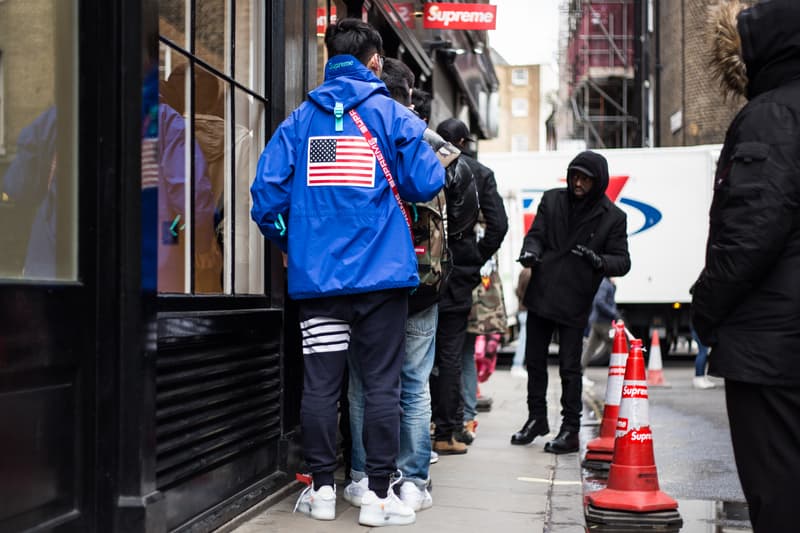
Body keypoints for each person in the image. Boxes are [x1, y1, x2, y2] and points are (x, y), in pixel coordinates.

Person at [250, 18, 444, 527]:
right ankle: (377, 499)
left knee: (320, 385)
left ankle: (321, 491)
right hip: (382, 281)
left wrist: (293, 242)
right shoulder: (392, 115)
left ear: (328, 57)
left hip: (318, 283)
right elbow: (426, 182)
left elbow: (264, 200)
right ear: (375, 60)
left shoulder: (297, 122)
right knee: (382, 386)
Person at [693, 2, 800, 530]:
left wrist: (705, 309)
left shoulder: (771, 115)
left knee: (777, 492)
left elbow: (749, 234)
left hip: (771, 347)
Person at [345, 57, 460, 513]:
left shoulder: (352, 131)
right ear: (410, 94)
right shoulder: (427, 141)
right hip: (422, 284)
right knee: (414, 384)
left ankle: (359, 474)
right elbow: (459, 203)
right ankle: (413, 480)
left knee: (361, 383)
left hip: (366, 279)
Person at [512, 150, 630, 454]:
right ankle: (536, 418)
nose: (578, 183)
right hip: (541, 293)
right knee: (535, 362)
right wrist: (531, 253)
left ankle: (570, 429)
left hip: (575, 299)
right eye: (574, 176)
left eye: (585, 179)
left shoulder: (613, 217)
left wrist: (599, 260)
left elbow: (623, 262)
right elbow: (535, 235)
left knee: (569, 367)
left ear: (598, 181)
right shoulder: (552, 200)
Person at [431, 118, 508, 456]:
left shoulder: (425, 163)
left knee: (420, 351)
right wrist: (476, 256)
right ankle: (446, 430)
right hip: (459, 269)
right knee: (451, 354)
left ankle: (431, 424)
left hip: (423, 268)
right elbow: (498, 225)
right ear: (464, 141)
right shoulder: (479, 172)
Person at [579, 277, 618, 385]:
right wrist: (613, 313)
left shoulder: (607, 283)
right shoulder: (605, 284)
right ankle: (622, 373)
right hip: (603, 323)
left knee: (590, 348)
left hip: (598, 322)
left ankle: (579, 373)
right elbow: (599, 301)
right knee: (616, 345)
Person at [511, 267, 532, 378]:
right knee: (524, 341)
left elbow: (518, 291)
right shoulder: (531, 273)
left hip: (522, 309)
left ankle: (519, 364)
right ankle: (517, 364)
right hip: (528, 310)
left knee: (524, 340)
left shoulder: (523, 272)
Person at [690, 325, 714, 390]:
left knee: (703, 352)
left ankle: (701, 377)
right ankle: (699, 377)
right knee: (703, 352)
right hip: (700, 328)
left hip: (699, 328)